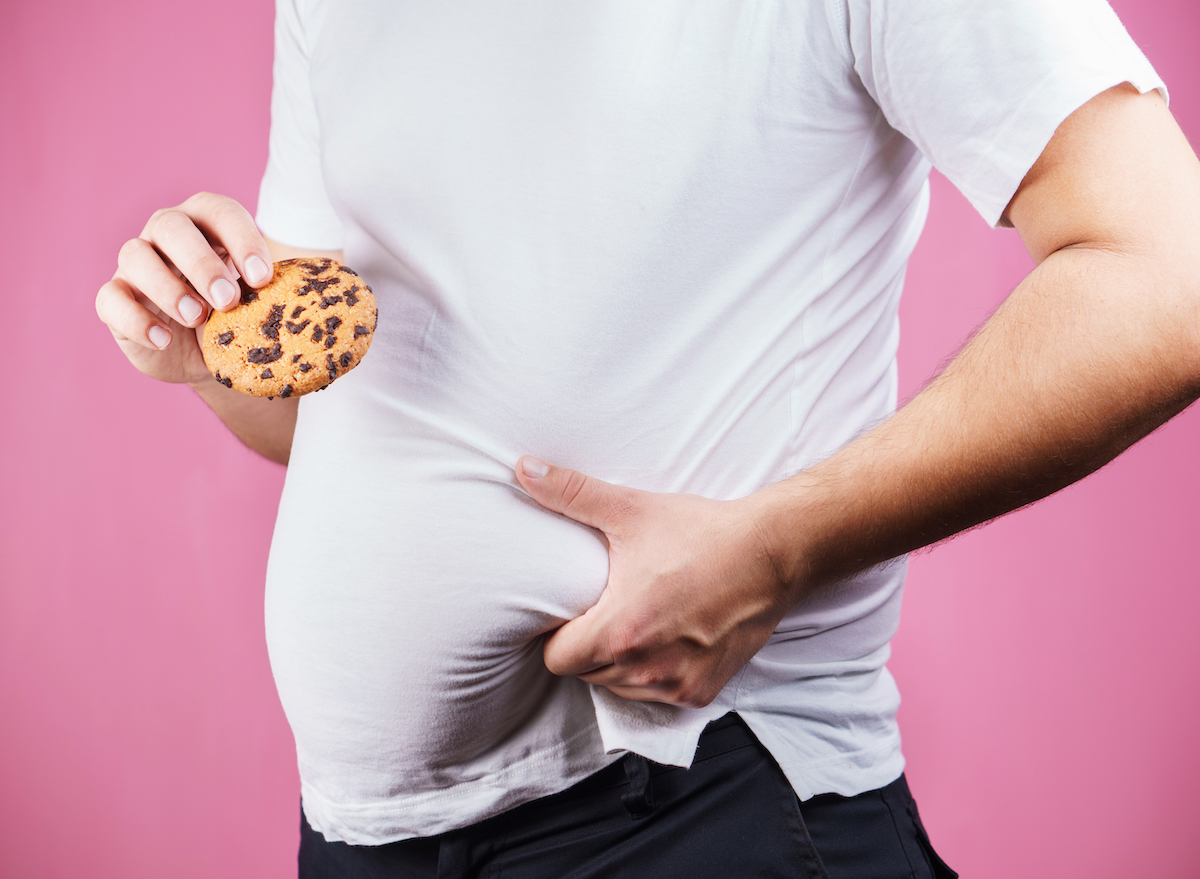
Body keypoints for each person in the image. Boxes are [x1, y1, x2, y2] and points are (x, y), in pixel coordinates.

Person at [95, 1, 1200, 876]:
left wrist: (780, 545)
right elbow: (353, 416)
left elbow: (1172, 280)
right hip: (363, 841)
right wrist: (206, 356)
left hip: (690, 801)